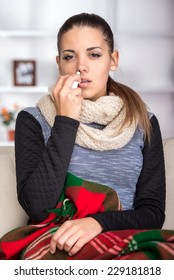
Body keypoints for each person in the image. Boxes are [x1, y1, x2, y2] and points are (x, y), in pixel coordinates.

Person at [14, 13, 165, 258]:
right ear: (59, 63)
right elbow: (38, 208)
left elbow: (153, 213)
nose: (80, 66)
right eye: (69, 56)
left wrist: (97, 223)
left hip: (125, 243)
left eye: (94, 54)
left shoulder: (144, 123)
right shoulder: (33, 119)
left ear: (113, 60)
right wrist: (66, 120)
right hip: (57, 243)